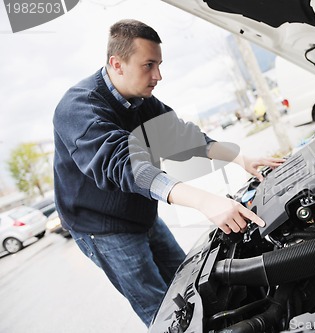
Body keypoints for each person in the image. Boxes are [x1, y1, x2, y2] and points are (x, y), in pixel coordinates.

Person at [52, 19, 283, 326]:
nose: (158, 76)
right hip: (103, 227)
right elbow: (125, 165)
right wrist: (205, 201)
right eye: (149, 65)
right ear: (116, 64)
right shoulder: (78, 108)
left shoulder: (140, 100)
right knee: (162, 312)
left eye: (159, 65)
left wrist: (241, 158)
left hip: (141, 212)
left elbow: (182, 135)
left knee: (192, 285)